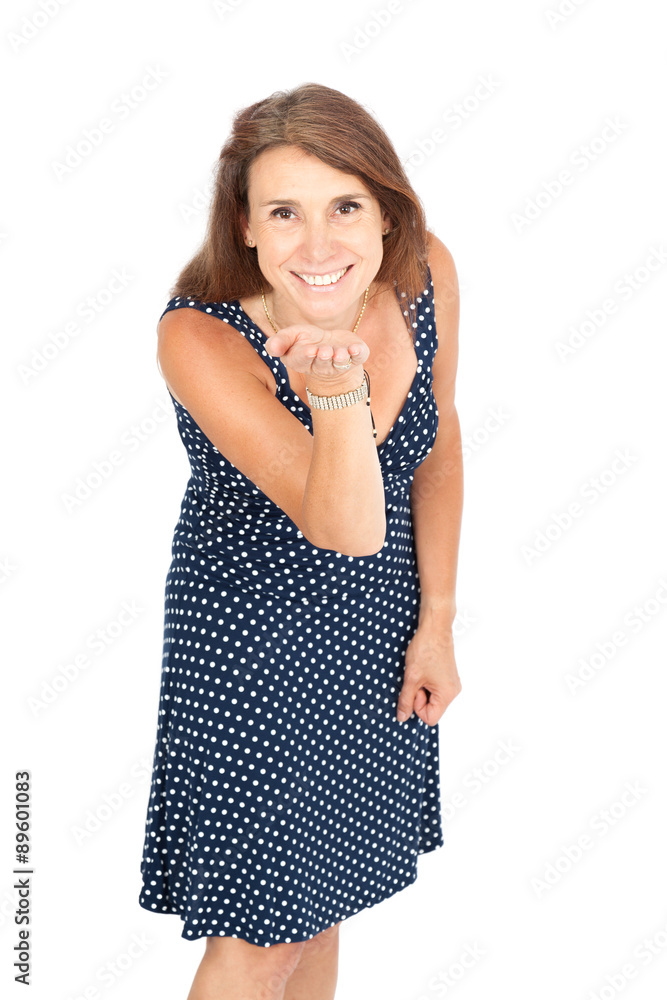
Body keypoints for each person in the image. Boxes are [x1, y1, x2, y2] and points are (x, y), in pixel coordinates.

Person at [138, 82, 463, 1000]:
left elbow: (436, 440)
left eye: (344, 207)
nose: (317, 246)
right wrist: (337, 393)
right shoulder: (199, 334)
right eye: (283, 212)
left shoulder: (422, 269)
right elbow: (343, 523)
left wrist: (436, 620)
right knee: (261, 939)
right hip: (252, 639)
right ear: (244, 224)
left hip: (373, 626)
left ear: (386, 210)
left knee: (322, 906)